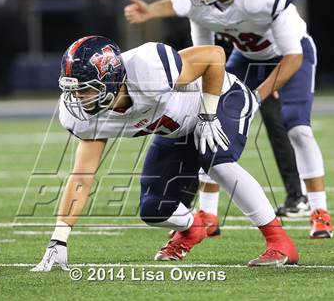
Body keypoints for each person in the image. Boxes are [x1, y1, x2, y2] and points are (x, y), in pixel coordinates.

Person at [31, 35, 299, 271]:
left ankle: (280, 242)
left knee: (215, 159)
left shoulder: (148, 68)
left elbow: (214, 57)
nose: (78, 98)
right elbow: (81, 177)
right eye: (73, 90)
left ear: (111, 78)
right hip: (176, 129)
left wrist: (207, 116)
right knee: (154, 209)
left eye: (85, 89)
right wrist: (59, 239)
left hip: (222, 100)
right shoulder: (85, 117)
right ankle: (192, 230)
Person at [124, 0, 333, 239]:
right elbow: (203, 53)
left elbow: (293, 56)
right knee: (207, 125)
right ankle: (207, 214)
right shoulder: (194, 1)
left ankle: (319, 210)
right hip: (245, 57)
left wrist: (258, 94)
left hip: (290, 54)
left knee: (297, 128)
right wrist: (151, 10)